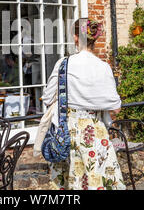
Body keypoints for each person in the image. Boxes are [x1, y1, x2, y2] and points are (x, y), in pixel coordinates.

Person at [41, 18, 126, 190]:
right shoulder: (103, 67)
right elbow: (115, 106)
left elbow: (47, 98)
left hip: (67, 133)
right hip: (96, 133)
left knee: (71, 182)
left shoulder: (63, 64)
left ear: (76, 38)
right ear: (95, 38)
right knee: (97, 181)